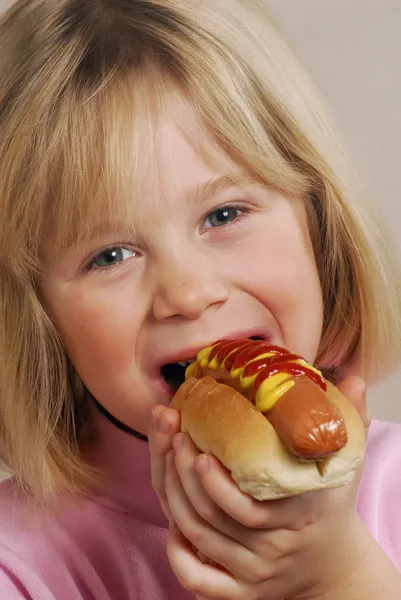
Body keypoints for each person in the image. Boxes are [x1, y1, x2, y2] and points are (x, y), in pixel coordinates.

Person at [0, 0, 400, 598]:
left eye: (224, 213)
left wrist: (340, 580)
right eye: (110, 255)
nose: (188, 294)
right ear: (39, 321)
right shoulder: (20, 563)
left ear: (320, 223)